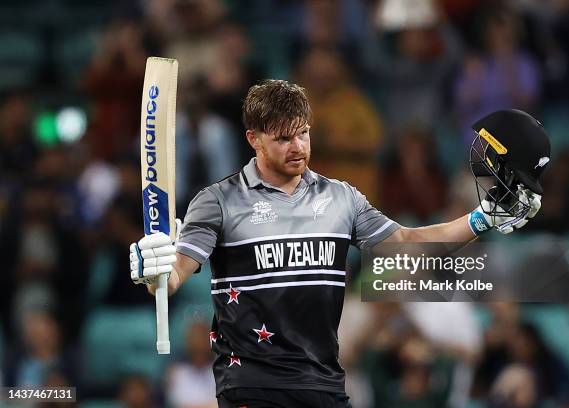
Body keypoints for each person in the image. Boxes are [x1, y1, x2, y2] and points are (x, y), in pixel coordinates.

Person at [129, 80, 546, 408]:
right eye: (284, 138)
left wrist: (481, 218)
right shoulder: (218, 201)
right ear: (254, 138)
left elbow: (406, 243)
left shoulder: (342, 198)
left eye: (304, 134)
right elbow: (173, 275)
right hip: (253, 386)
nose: (299, 148)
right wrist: (154, 269)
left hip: (324, 385)